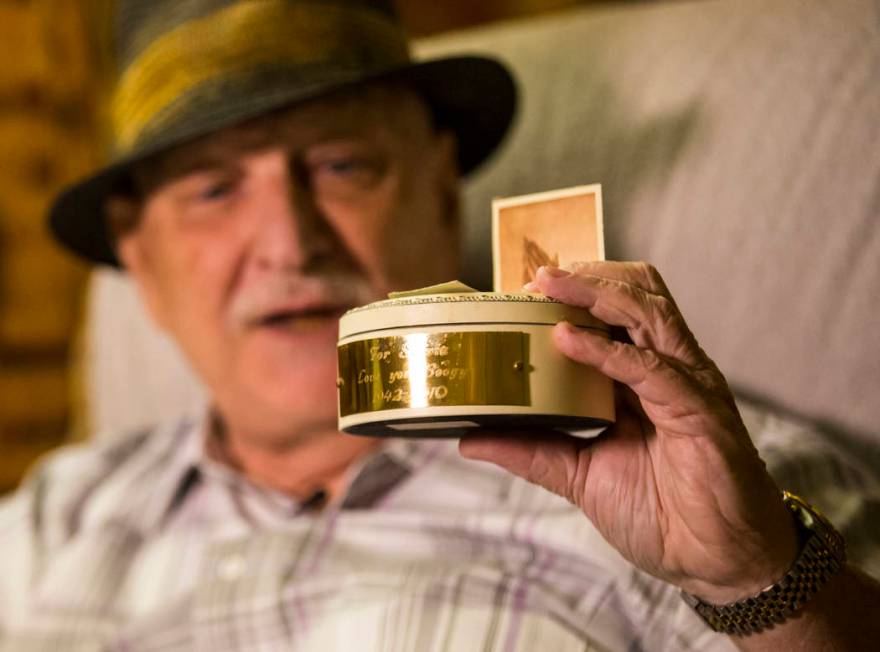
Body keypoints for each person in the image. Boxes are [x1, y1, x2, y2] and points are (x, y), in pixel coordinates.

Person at [2, 0, 878, 649]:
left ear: (436, 185)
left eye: (342, 164)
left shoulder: (716, 483)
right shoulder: (55, 516)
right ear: (142, 265)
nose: (290, 242)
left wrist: (758, 579)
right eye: (215, 190)